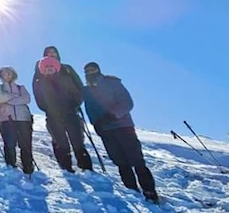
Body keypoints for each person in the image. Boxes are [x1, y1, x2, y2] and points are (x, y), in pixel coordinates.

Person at [83, 62, 159, 203]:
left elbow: (127, 102)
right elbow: (89, 109)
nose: (90, 73)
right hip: (105, 130)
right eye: (87, 71)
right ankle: (132, 192)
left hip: (123, 127)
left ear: (99, 70)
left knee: (137, 160)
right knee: (120, 162)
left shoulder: (112, 83)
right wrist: (96, 124)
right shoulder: (86, 90)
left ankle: (150, 193)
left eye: (92, 70)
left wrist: (112, 115)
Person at [33, 54, 93, 172]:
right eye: (46, 68)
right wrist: (49, 110)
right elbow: (39, 99)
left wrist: (74, 105)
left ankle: (86, 166)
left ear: (56, 68)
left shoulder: (64, 79)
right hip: (53, 116)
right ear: (43, 70)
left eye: (51, 67)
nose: (49, 69)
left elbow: (76, 93)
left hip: (70, 113)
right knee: (61, 142)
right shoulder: (40, 83)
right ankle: (66, 167)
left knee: (77, 141)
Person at [0, 66, 34, 174]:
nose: (6, 76)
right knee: (9, 144)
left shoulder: (21, 87)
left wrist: (9, 99)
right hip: (6, 118)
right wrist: (14, 96)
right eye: (4, 74)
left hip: (23, 118)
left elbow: (27, 99)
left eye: (8, 73)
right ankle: (11, 166)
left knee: (25, 144)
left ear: (13, 75)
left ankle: (28, 167)